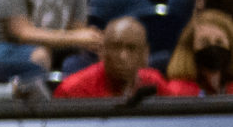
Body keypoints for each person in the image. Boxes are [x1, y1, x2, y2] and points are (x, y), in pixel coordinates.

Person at [54, 16, 183, 102]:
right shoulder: (73, 90)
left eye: (131, 48)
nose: (123, 56)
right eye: (116, 47)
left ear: (145, 53)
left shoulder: (153, 83)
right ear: (102, 51)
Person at [166, 9, 233, 96]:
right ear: (190, 48)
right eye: (205, 43)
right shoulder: (177, 91)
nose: (213, 47)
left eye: (219, 42)